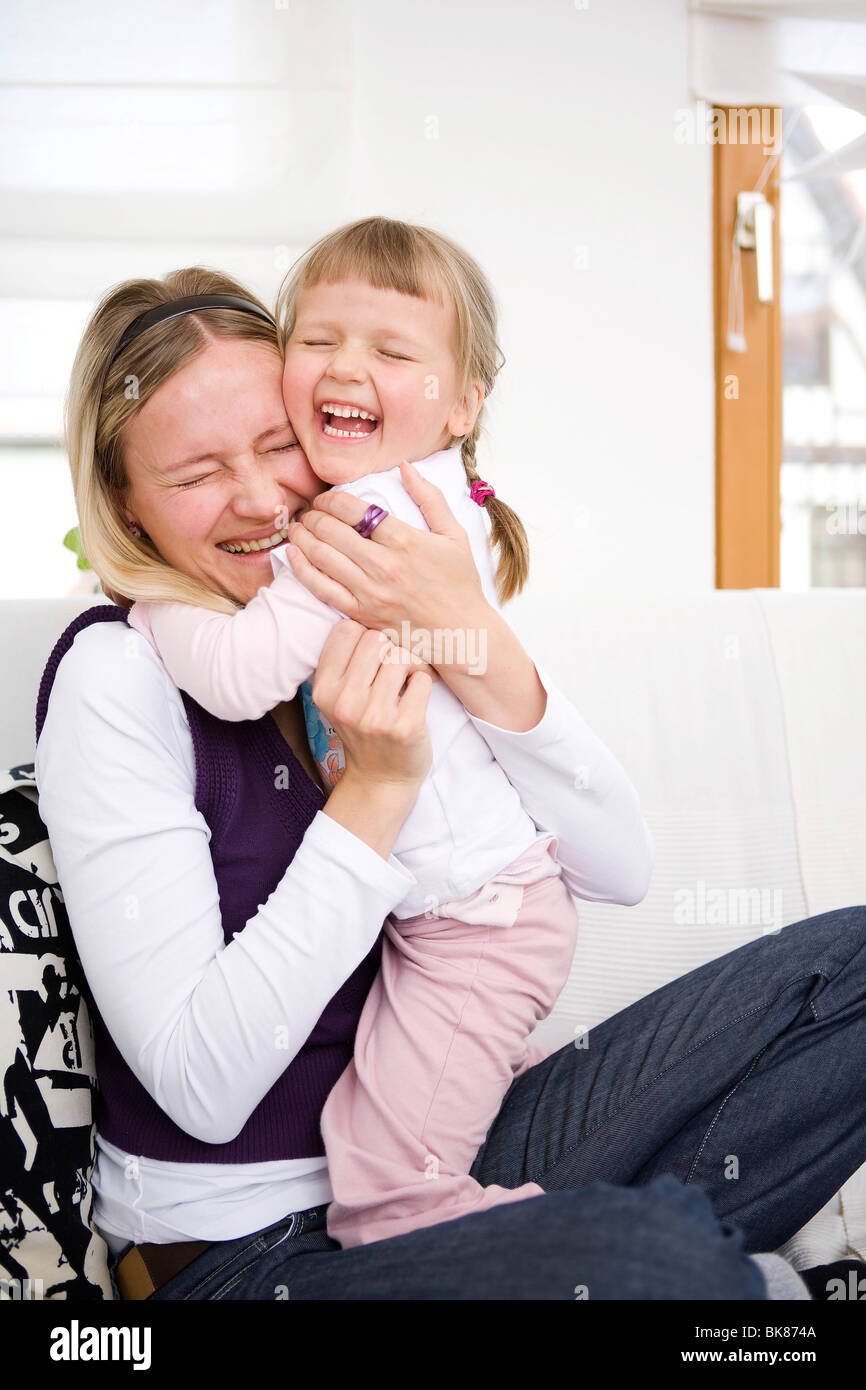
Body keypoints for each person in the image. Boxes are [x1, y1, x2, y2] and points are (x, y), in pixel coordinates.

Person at [34, 262, 866, 1301]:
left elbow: (618, 866)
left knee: (854, 968)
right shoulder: (123, 671)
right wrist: (375, 792)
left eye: (279, 443)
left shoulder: (350, 593)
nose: (258, 499)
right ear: (122, 498)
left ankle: (625, 1254)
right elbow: (203, 1091)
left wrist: (471, 636)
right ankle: (654, 1259)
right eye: (196, 472)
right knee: (659, 1267)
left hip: (438, 1161)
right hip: (249, 1256)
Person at [119, 217, 639, 1250]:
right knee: (404, 1107)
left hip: (473, 920)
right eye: (318, 340)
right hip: (472, 910)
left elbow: (235, 676)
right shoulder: (422, 498)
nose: (346, 367)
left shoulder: (362, 524)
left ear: (461, 401)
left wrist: (139, 595)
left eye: (391, 350)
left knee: (380, 1195)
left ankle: (591, 1249)